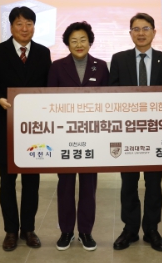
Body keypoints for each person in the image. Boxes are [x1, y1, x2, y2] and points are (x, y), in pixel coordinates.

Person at [0, 6, 52, 251]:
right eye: (19, 24)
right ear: (11, 26)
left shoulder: (43, 53)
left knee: (32, 183)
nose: (24, 29)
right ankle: (11, 231)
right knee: (7, 182)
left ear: (34, 26)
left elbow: (48, 86)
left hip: (34, 129)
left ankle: (28, 229)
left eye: (29, 24)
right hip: (7, 125)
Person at [109, 13, 162, 252]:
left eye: (146, 28)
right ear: (130, 34)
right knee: (128, 183)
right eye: (136, 29)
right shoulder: (119, 59)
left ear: (154, 32)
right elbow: (112, 93)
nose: (141, 33)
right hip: (127, 133)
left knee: (154, 184)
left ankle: (151, 230)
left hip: (155, 133)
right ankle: (129, 229)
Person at [47, 21, 109, 252]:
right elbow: (48, 102)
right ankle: (66, 231)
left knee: (88, 185)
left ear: (90, 42)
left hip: (92, 135)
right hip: (64, 135)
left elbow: (109, 101)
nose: (79, 44)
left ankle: (85, 231)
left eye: (83, 39)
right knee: (65, 184)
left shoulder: (101, 66)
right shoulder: (57, 67)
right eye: (73, 41)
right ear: (67, 44)